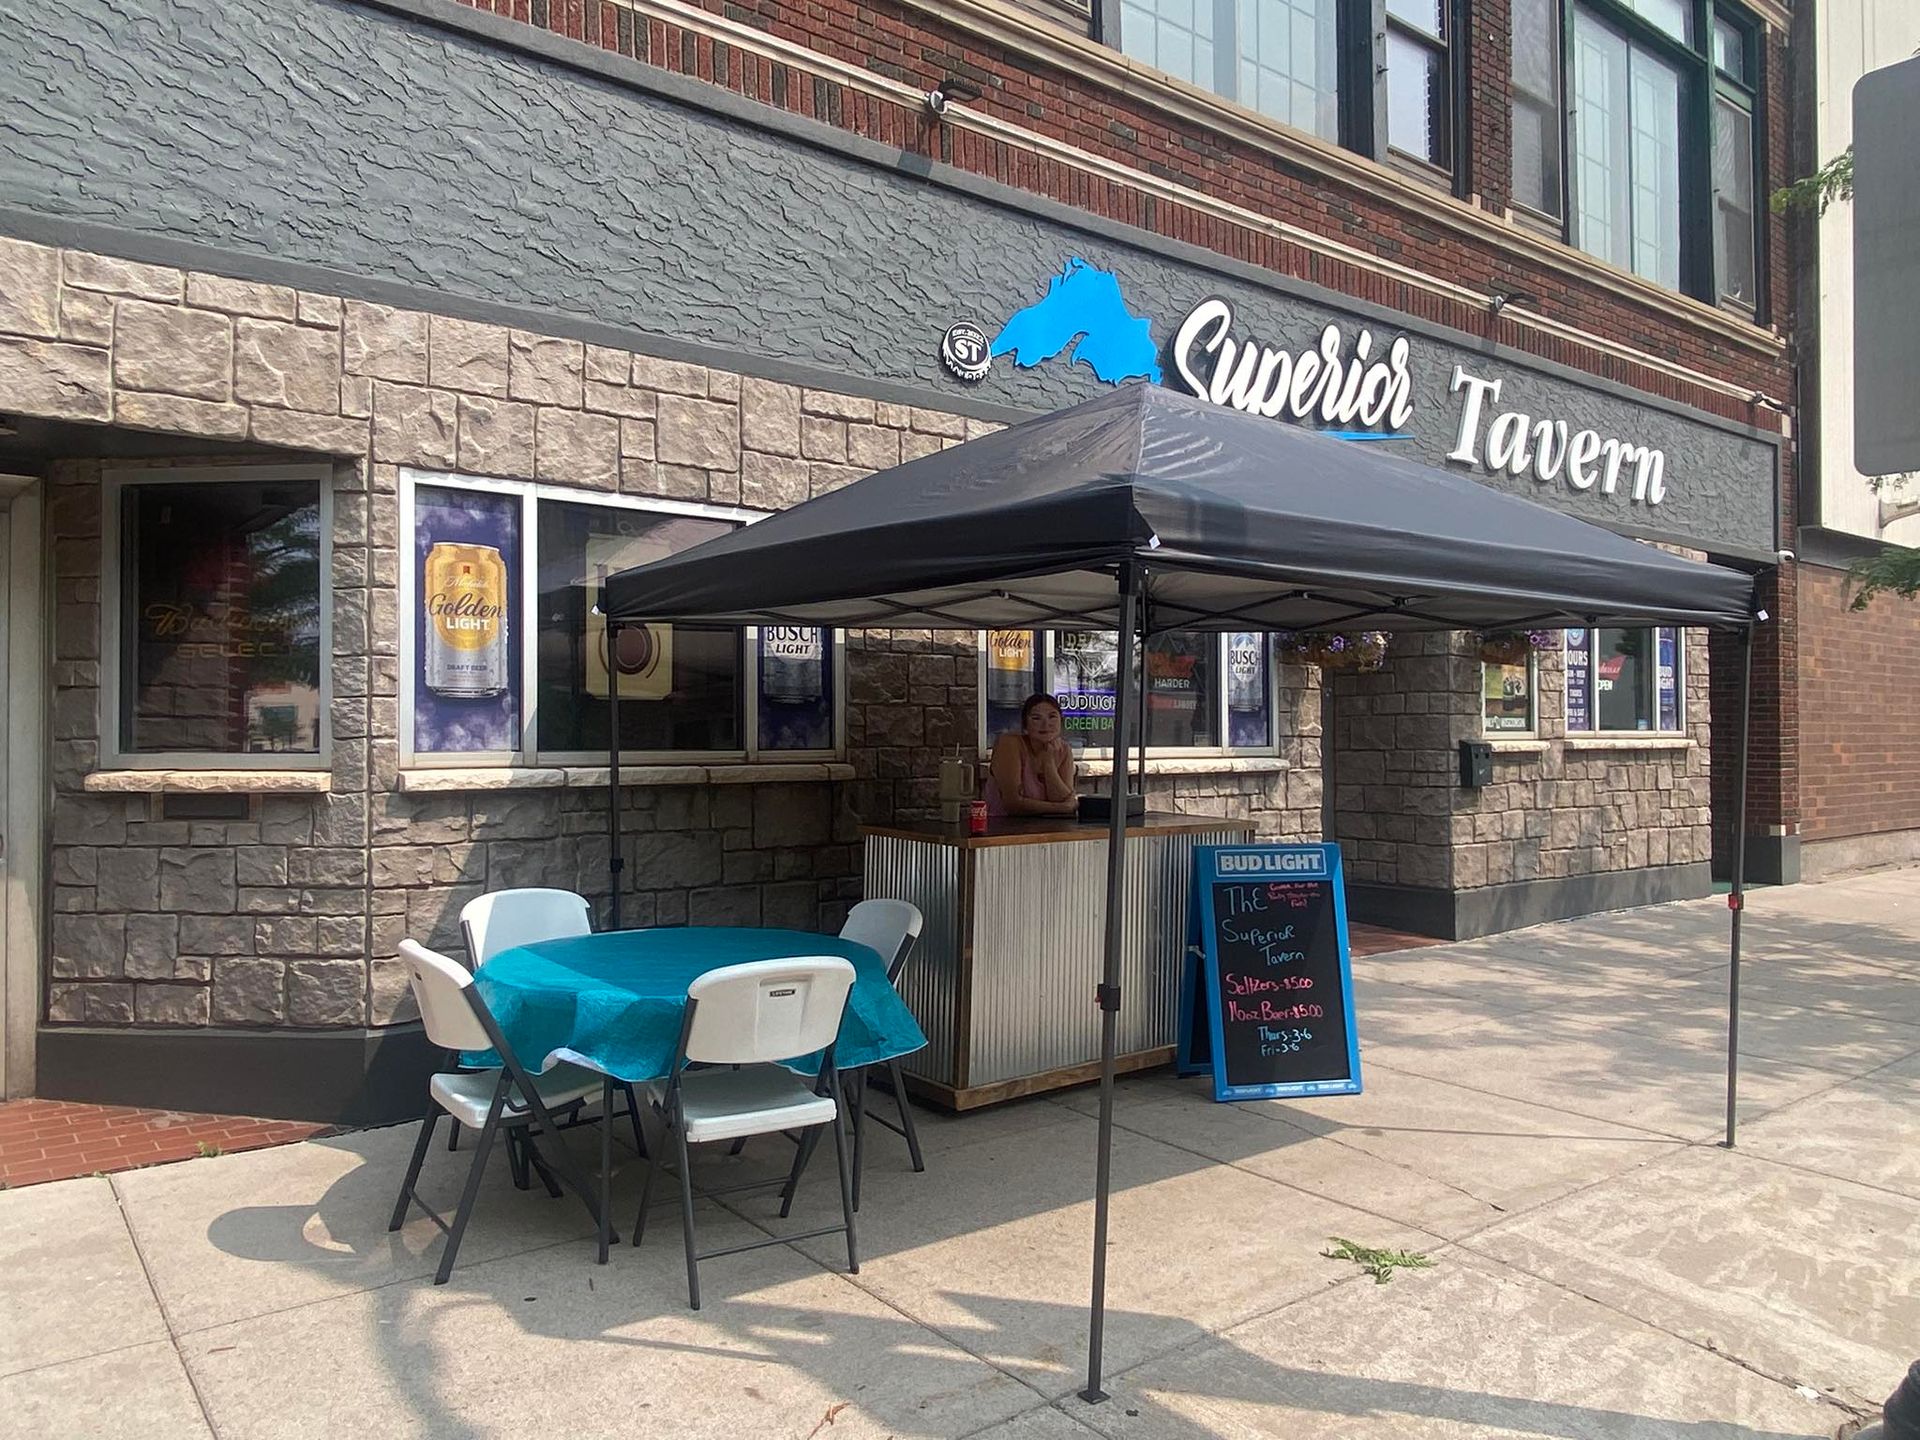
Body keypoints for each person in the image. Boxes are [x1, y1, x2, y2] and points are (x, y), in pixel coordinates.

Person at [983, 692, 1080, 818]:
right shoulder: (1009, 744)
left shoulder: (1063, 749)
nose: (1045, 724)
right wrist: (1061, 808)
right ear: (1025, 725)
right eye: (1036, 718)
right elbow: (1012, 803)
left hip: (1048, 827)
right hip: (1003, 825)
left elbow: (1062, 798)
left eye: (1052, 717)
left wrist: (1049, 765)